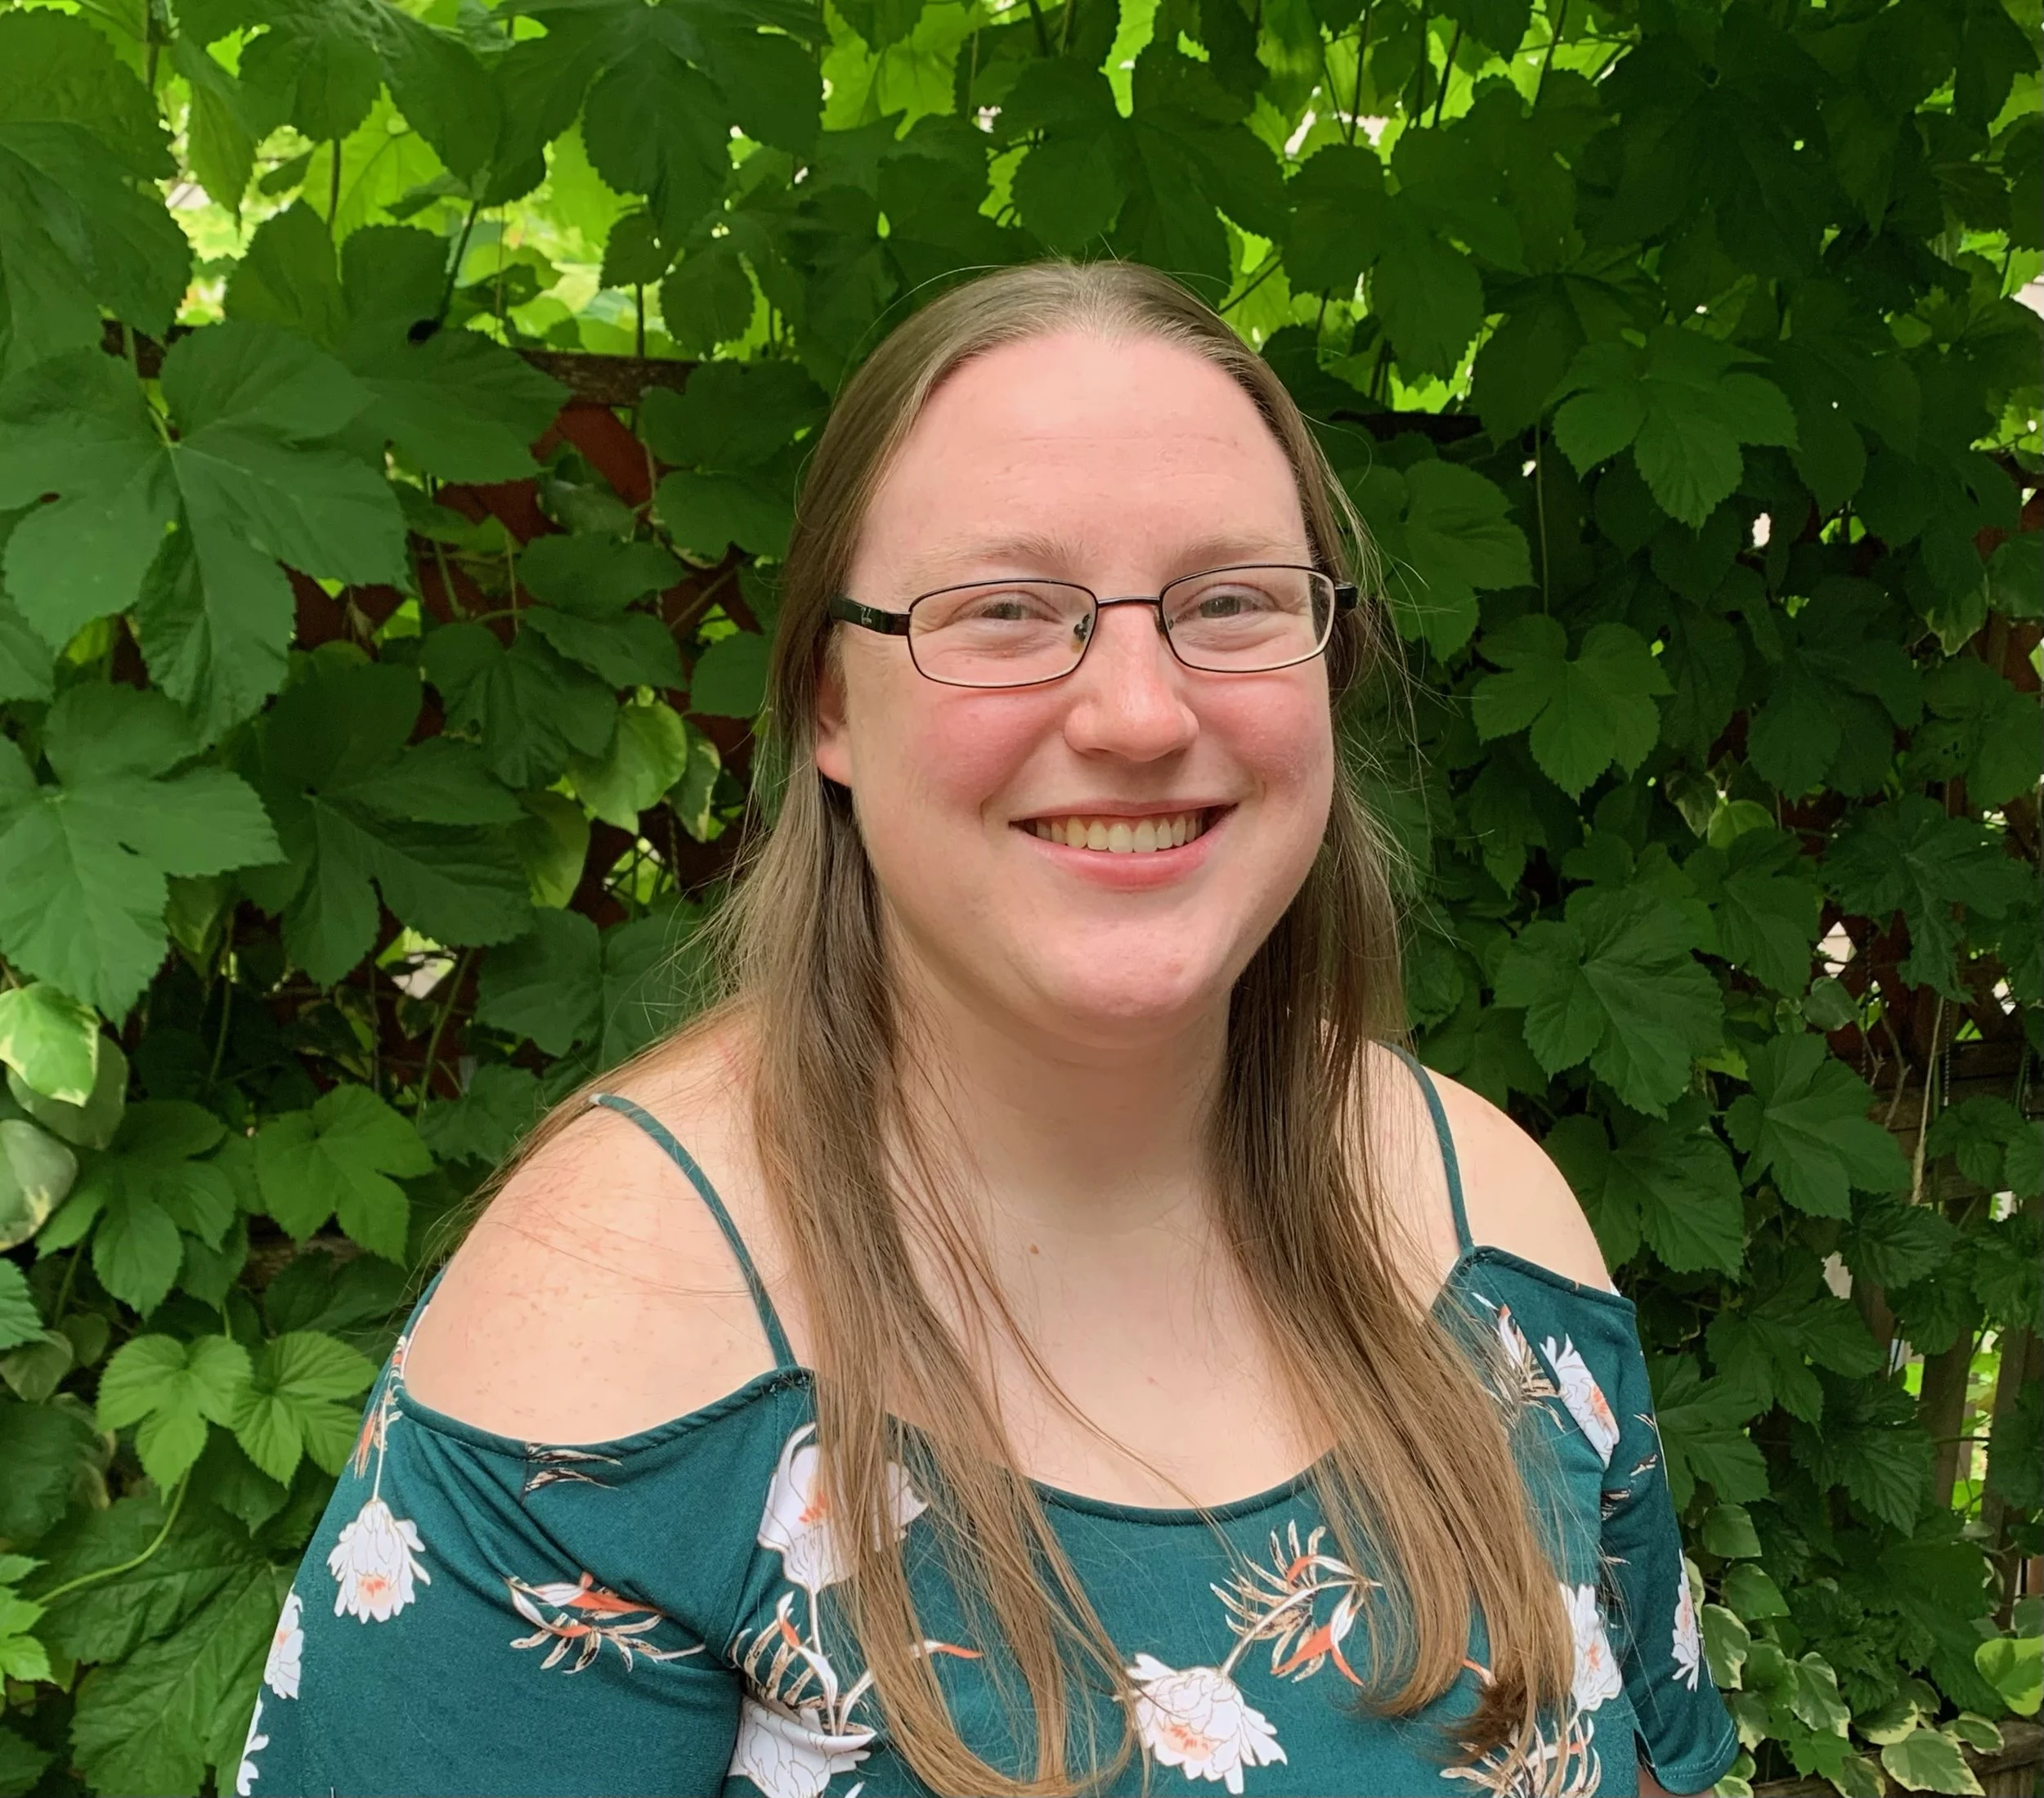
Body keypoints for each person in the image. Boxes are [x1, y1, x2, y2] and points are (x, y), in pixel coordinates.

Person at [241, 262, 1739, 1798]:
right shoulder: (611, 1349)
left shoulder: (1495, 1233)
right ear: (831, 704)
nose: (1141, 715)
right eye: (1008, 613)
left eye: (1230, 602)